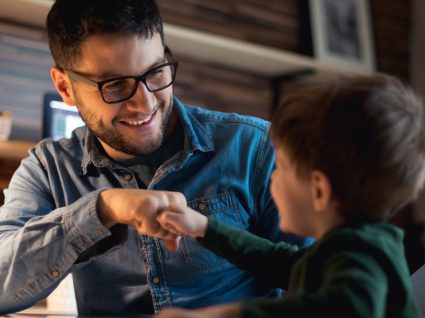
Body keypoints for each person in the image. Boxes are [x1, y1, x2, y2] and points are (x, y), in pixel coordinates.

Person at [0, 0, 309, 315]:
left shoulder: (254, 149)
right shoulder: (47, 170)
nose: (144, 103)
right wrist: (101, 210)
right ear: (65, 87)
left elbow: (322, 286)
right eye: (115, 85)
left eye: (156, 72)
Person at [156, 74, 425, 318]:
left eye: (281, 168)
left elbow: (349, 308)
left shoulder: (361, 255)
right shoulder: (346, 245)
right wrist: (203, 227)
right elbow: (277, 261)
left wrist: (224, 314)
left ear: (318, 191)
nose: (273, 177)